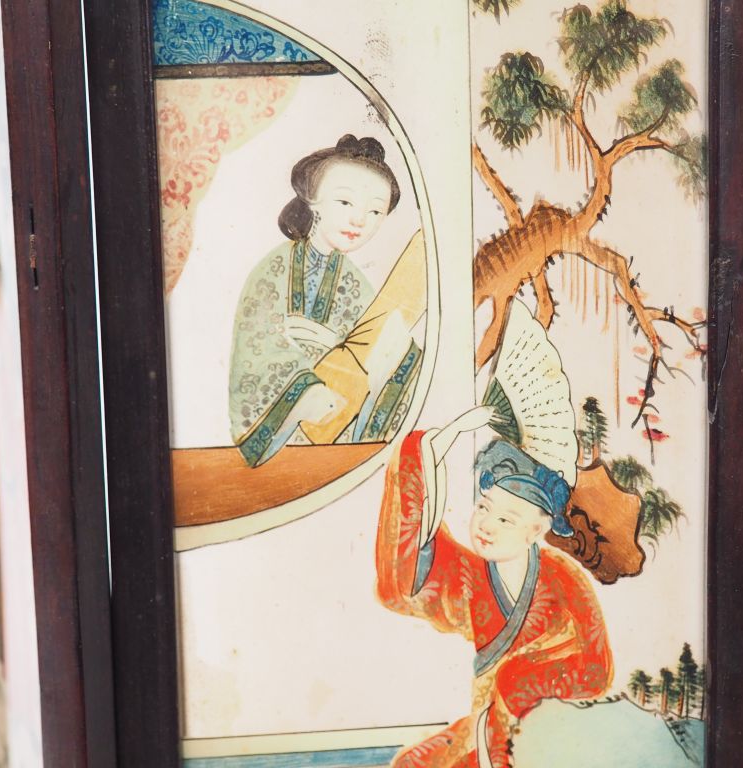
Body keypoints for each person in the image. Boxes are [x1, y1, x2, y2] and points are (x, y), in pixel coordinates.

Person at [376, 407, 614, 768]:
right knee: (413, 763)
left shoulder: (563, 578)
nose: (486, 525)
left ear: (536, 531)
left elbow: (596, 667)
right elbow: (416, 547)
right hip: (487, 726)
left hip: (549, 727)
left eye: (505, 519)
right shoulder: (472, 573)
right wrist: (452, 431)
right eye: (483, 508)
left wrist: (519, 683)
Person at [228, 134, 411, 467]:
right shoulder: (273, 269)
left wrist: (336, 347)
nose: (360, 220)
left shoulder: (357, 285)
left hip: (337, 436)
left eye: (375, 210)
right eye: (345, 203)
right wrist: (308, 390)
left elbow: (379, 359)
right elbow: (254, 353)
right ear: (313, 200)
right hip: (282, 432)